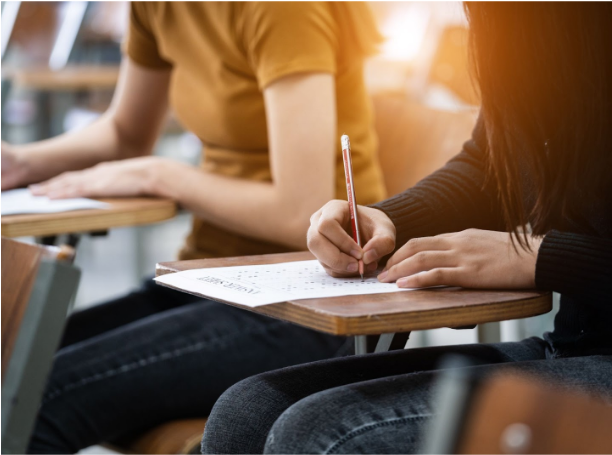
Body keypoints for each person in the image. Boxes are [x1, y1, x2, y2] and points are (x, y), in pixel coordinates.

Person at [201, 3, 612, 454]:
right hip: (582, 348)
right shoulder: (534, 30)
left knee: (324, 436)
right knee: (248, 411)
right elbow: (494, 167)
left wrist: (542, 257)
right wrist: (388, 220)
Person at [5, 3, 387, 453]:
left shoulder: (282, 9)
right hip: (210, 277)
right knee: (12, 367)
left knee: (31, 399)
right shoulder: (154, 6)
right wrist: (22, 162)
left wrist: (160, 176)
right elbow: (127, 132)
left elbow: (297, 212)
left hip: (311, 297)